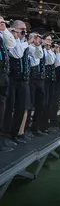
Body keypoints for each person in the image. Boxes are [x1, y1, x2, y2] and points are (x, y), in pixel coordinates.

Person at [0, 16, 16, 152]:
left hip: (3, 76)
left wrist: (5, 30)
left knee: (2, 108)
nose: (2, 23)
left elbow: (12, 45)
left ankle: (1, 139)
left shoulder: (2, 35)